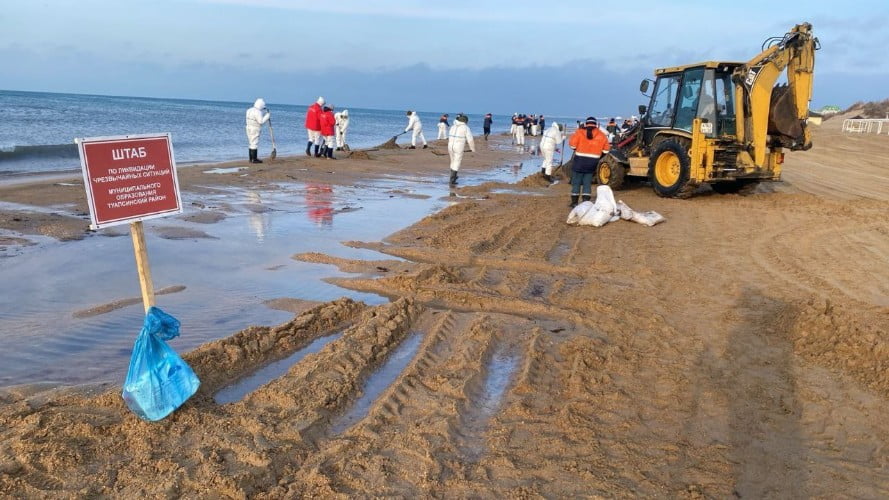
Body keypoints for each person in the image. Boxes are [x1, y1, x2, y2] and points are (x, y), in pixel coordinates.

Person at [568, 117, 610, 207]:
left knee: (576, 182)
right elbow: (606, 150)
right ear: (596, 125)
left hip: (579, 161)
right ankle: (585, 203)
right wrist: (598, 155)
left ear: (586, 124)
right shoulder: (601, 135)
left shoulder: (579, 132)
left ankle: (574, 203)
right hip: (592, 162)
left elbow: (572, 145)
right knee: (587, 183)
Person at [447, 113, 475, 185]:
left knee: (452, 161)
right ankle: (452, 180)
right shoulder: (465, 128)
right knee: (457, 162)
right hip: (459, 147)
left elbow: (449, 136)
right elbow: (470, 139)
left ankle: (454, 176)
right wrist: (472, 148)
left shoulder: (453, 126)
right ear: (465, 121)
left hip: (450, 146)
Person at [245, 98, 271, 164]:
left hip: (248, 127)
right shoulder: (257, 112)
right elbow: (261, 121)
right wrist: (267, 116)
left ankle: (251, 159)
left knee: (251, 142)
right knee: (254, 143)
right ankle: (254, 159)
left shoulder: (249, 110)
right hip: (255, 128)